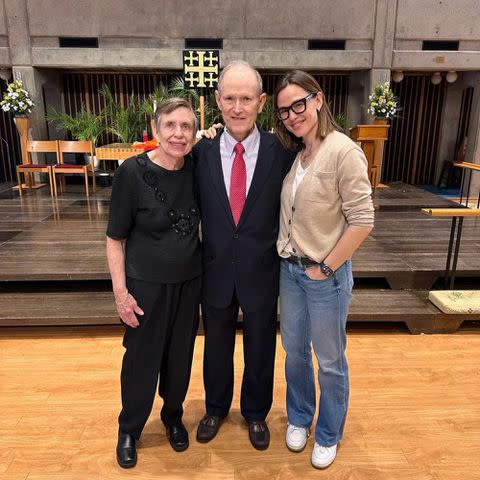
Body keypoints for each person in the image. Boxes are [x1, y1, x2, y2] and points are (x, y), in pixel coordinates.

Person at [274, 70, 374, 468]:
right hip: (291, 271)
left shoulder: (343, 150)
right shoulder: (298, 154)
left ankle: (329, 432)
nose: (292, 115)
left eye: (298, 104)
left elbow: (363, 219)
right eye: (284, 111)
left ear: (318, 99)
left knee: (329, 359)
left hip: (324, 276)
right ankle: (299, 416)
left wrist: (328, 269)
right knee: (294, 352)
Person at [193, 61, 294, 450]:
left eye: (246, 98)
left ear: (262, 102)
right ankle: (215, 408)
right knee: (215, 347)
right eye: (230, 98)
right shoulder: (200, 153)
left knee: (260, 348)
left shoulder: (280, 152)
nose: (238, 107)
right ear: (217, 101)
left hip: (260, 272)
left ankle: (255, 414)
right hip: (215, 269)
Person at [106, 98, 201, 468]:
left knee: (179, 359)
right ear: (156, 127)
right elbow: (116, 238)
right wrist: (120, 294)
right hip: (145, 286)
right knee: (141, 361)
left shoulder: (195, 167)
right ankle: (129, 428)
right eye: (171, 125)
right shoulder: (132, 172)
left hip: (189, 283)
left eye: (187, 127)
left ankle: (173, 416)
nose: (179, 134)